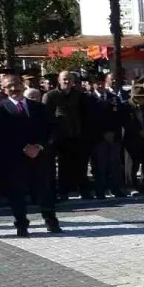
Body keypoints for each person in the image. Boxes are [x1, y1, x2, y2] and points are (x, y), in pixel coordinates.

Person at [0, 73, 61, 237]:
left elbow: (52, 130)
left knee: (45, 190)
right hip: (15, 159)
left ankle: (51, 220)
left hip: (40, 156)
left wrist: (39, 146)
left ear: (23, 85)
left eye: (16, 84)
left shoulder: (39, 107)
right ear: (3, 89)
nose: (14, 89)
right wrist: (23, 147)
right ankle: (21, 224)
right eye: (9, 86)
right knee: (17, 193)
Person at [43, 70, 88, 200]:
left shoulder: (79, 95)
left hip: (77, 135)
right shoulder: (50, 96)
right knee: (62, 167)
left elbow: (84, 115)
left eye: (69, 79)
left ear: (74, 82)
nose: (67, 82)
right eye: (64, 79)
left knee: (81, 165)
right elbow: (45, 117)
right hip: (59, 137)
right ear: (59, 80)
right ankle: (63, 192)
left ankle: (83, 190)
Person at [86, 73, 127, 198]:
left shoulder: (113, 97)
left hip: (113, 137)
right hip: (98, 138)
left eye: (101, 83)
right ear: (93, 85)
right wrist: (102, 134)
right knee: (100, 166)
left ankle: (116, 189)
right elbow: (89, 120)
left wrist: (114, 133)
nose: (100, 85)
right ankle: (100, 190)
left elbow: (119, 118)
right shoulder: (89, 99)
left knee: (115, 164)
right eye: (97, 83)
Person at [123, 79, 144, 196]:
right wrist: (138, 131)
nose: (142, 99)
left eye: (143, 97)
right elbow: (125, 123)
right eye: (139, 97)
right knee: (132, 164)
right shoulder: (126, 107)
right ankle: (131, 186)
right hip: (132, 139)